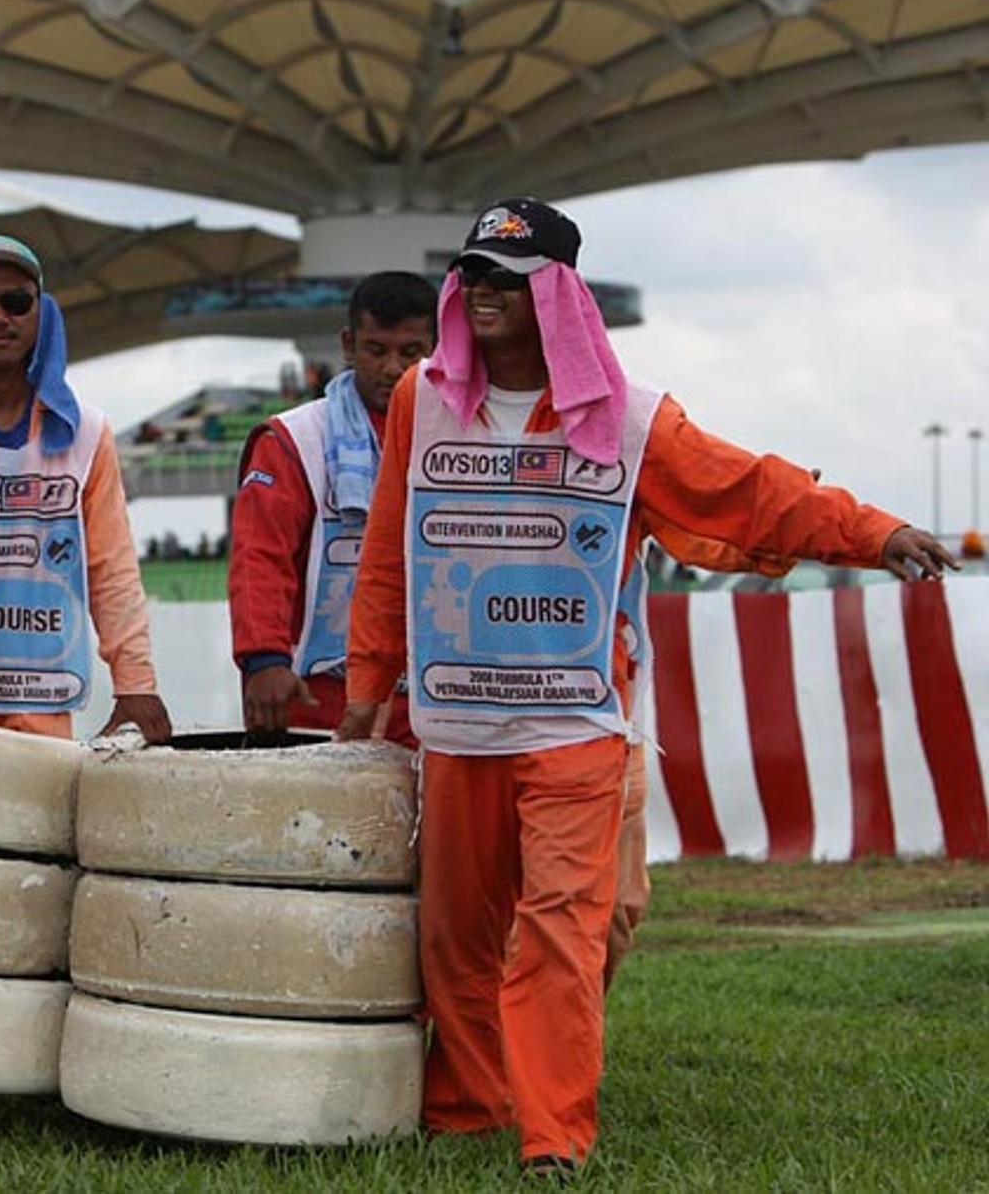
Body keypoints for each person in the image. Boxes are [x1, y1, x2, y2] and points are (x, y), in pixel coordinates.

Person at [335, 195, 956, 1177]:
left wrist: (869, 530)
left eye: (508, 276)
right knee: (453, 936)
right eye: (473, 274)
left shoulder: (628, 418)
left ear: (559, 292)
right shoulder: (419, 399)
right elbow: (385, 553)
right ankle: (463, 1110)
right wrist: (366, 683)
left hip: (576, 721)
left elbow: (746, 488)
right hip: (451, 722)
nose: (481, 292)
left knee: (561, 926)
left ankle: (551, 1134)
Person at [0, 235, 172, 742]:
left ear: (41, 313)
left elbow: (112, 565)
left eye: (15, 301)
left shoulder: (87, 434)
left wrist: (136, 682)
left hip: (41, 691)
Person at [228, 271, 435, 739]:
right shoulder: (294, 439)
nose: (392, 368)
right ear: (348, 343)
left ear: (436, 351)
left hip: (431, 701)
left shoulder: (461, 438)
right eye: (376, 349)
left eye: (410, 352)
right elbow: (259, 557)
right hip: (315, 695)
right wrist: (264, 658)